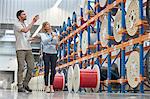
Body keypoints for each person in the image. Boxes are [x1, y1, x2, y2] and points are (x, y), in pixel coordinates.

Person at [14, 10, 39, 92]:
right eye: (23, 14)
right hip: (20, 49)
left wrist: (33, 39)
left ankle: (25, 84)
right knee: (21, 68)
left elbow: (26, 37)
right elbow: (25, 30)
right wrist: (33, 21)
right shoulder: (17, 24)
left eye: (25, 14)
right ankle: (20, 86)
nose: (25, 15)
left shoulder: (25, 24)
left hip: (28, 48)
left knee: (31, 67)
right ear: (19, 16)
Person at [36, 22, 58, 93]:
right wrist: (52, 38)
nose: (49, 26)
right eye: (47, 25)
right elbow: (45, 42)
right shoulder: (43, 35)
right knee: (46, 70)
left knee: (53, 70)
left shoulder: (54, 33)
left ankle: (51, 86)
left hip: (54, 53)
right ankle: (46, 86)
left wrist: (51, 40)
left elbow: (56, 42)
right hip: (46, 53)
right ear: (44, 27)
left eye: (49, 24)